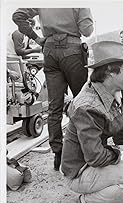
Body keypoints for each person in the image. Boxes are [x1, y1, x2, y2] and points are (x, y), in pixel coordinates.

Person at [61, 41, 123, 203]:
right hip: (80, 171)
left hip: (92, 157)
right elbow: (95, 158)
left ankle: (109, 192)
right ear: (110, 71)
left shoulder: (104, 89)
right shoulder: (88, 106)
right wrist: (118, 155)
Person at [13, 8, 94, 171]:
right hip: (72, 51)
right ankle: (83, 152)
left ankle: (58, 155)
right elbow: (87, 31)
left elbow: (18, 16)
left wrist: (37, 38)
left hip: (49, 50)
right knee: (82, 103)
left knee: (54, 107)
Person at [7, 18, 41, 82]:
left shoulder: (26, 35)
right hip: (11, 57)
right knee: (18, 79)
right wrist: (35, 50)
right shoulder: (18, 33)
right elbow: (19, 51)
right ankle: (18, 91)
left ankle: (25, 91)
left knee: (27, 78)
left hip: (18, 57)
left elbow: (26, 48)